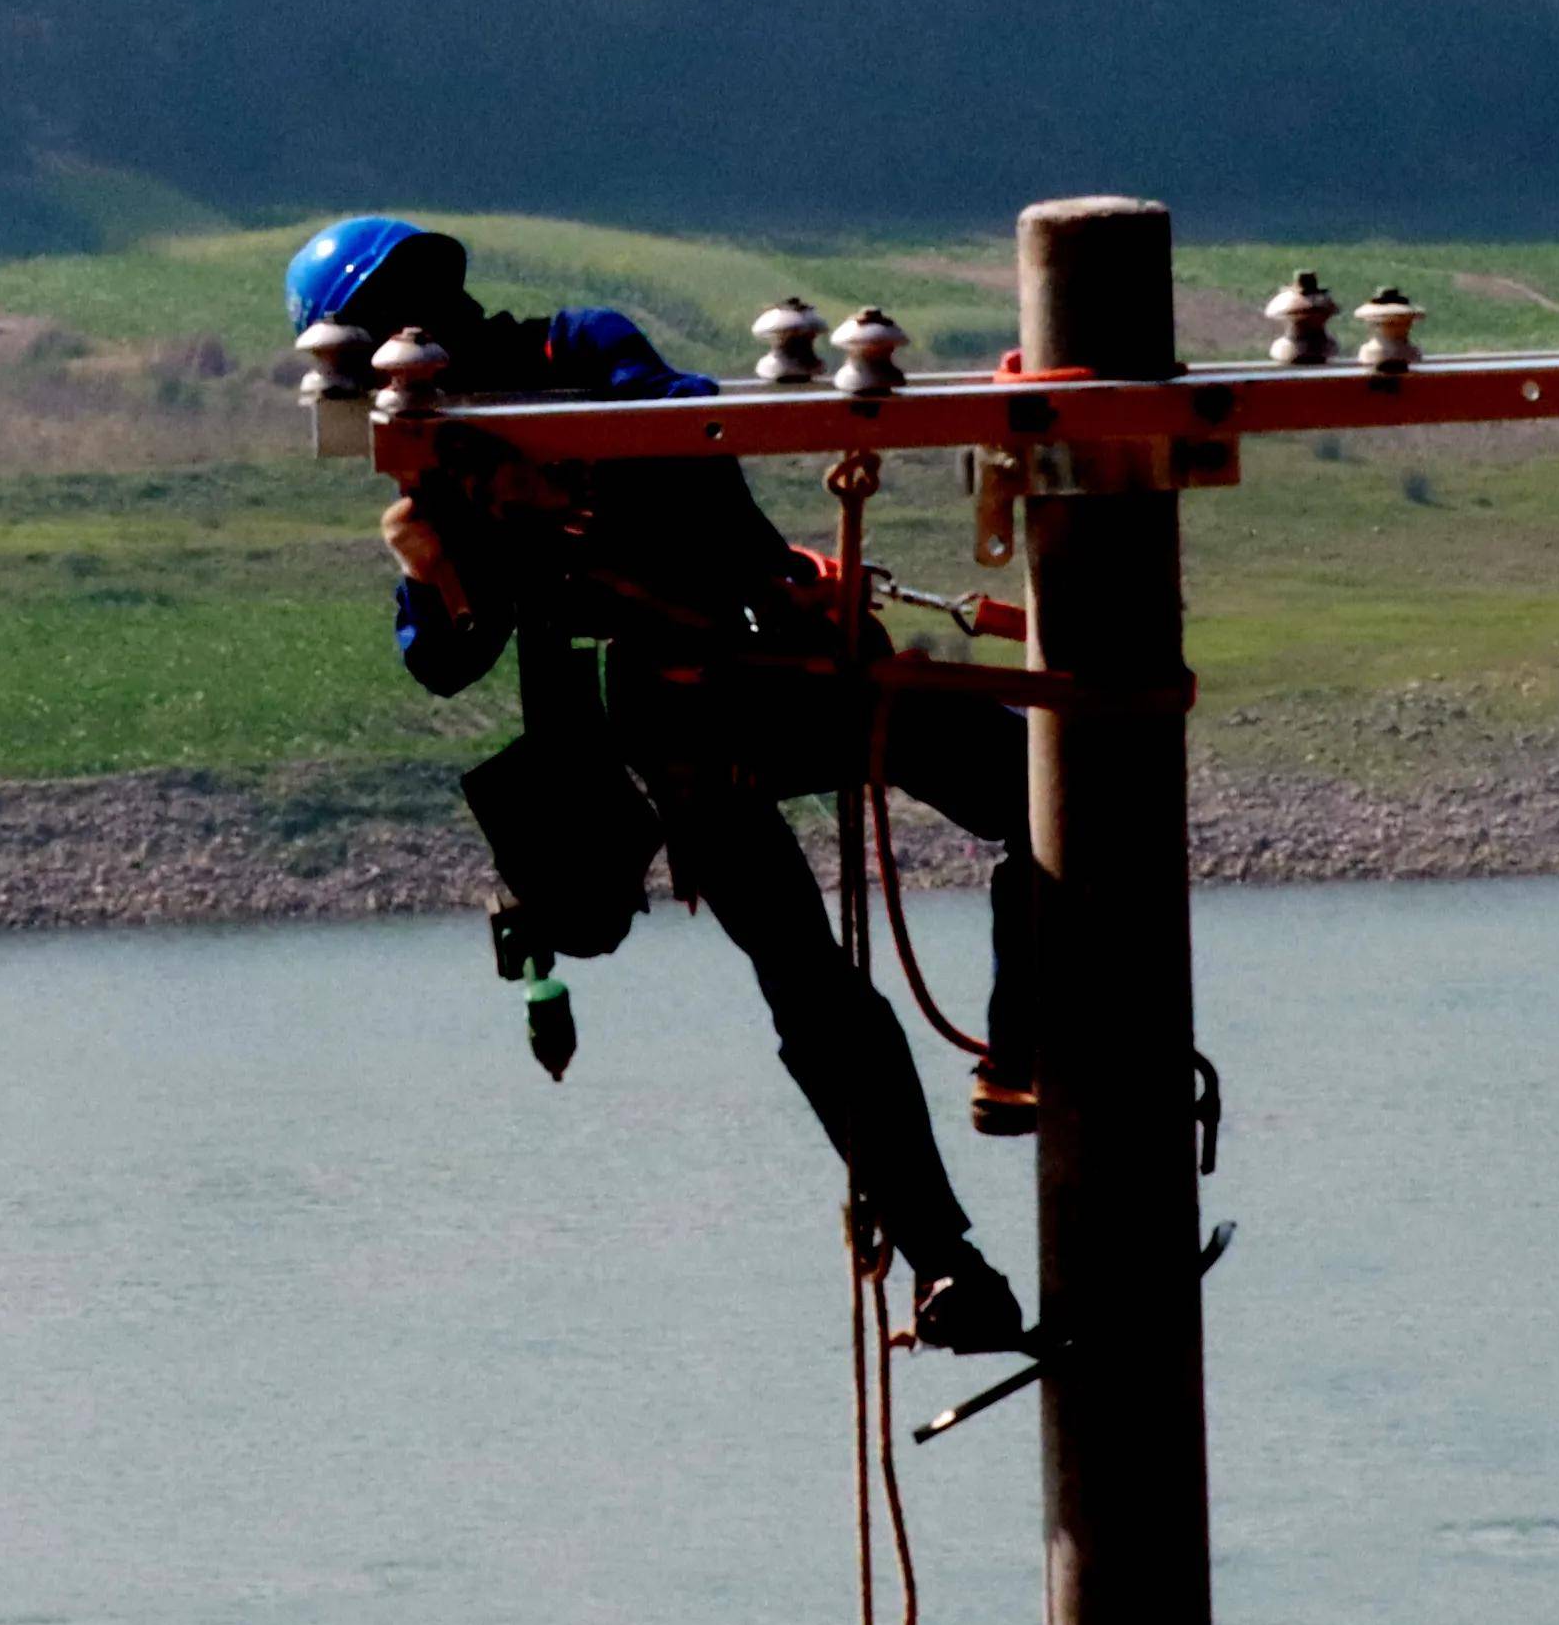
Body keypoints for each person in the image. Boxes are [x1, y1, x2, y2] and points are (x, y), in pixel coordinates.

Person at [301, 216, 1044, 1353]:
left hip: (778, 661)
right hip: (680, 728)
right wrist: (440, 570)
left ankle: (1022, 1050)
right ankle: (948, 1263)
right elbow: (446, 663)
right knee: (809, 987)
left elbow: (690, 447)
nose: (392, 375)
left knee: (1044, 788)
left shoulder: (580, 352)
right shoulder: (439, 478)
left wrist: (551, 480)